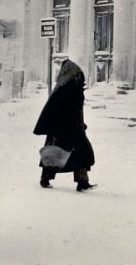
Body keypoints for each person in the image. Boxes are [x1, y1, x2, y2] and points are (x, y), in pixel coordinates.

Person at [33, 59, 95, 191]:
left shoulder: (70, 88)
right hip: (65, 129)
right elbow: (63, 111)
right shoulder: (66, 90)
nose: (80, 78)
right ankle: (79, 181)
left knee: (72, 153)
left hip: (68, 128)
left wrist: (80, 124)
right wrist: (77, 125)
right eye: (78, 75)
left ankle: (81, 181)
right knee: (60, 153)